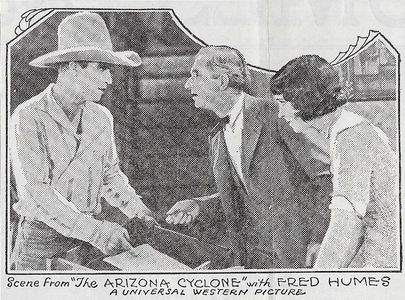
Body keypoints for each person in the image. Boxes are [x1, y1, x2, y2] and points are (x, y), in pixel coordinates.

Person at [10, 12, 156, 270]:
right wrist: (97, 232)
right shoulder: (28, 116)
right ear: (74, 67)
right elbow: (36, 193)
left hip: (86, 245)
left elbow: (110, 177)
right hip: (39, 245)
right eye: (102, 68)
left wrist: (138, 210)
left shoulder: (101, 118)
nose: (110, 80)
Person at [165, 46, 329, 269]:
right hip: (251, 260)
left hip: (299, 254)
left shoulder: (277, 113)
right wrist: (198, 206)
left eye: (195, 75)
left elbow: (325, 177)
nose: (187, 84)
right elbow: (248, 194)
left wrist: (321, 238)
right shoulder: (217, 137)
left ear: (222, 82)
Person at [270, 54, 398, 268]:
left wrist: (320, 280)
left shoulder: (350, 138)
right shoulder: (349, 129)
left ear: (306, 98)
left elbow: (347, 223)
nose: (281, 114)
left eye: (283, 103)